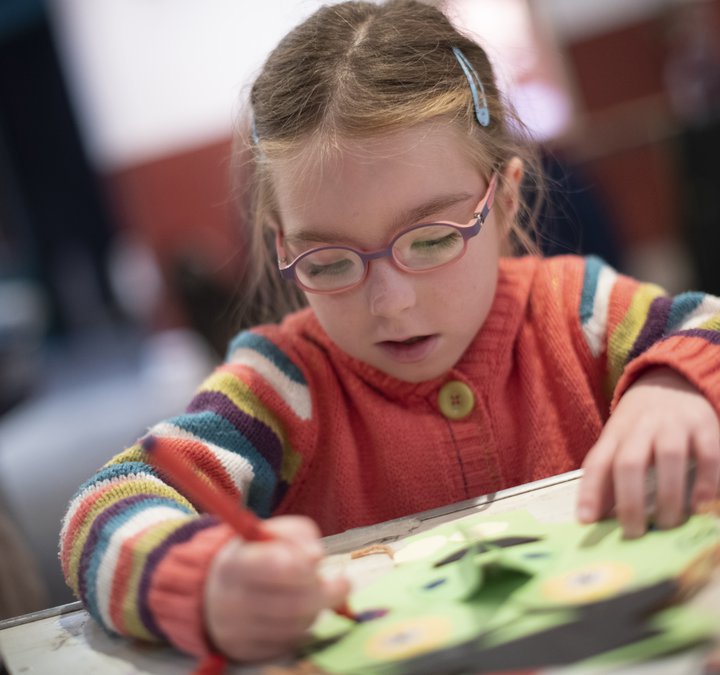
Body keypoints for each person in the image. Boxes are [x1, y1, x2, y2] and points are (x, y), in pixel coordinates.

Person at [59, 0, 720, 665]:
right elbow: (100, 512)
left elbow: (707, 327)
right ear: (283, 243)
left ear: (507, 201)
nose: (391, 301)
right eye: (329, 262)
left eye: (432, 240)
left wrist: (676, 383)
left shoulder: (580, 308)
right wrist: (204, 583)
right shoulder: (282, 385)